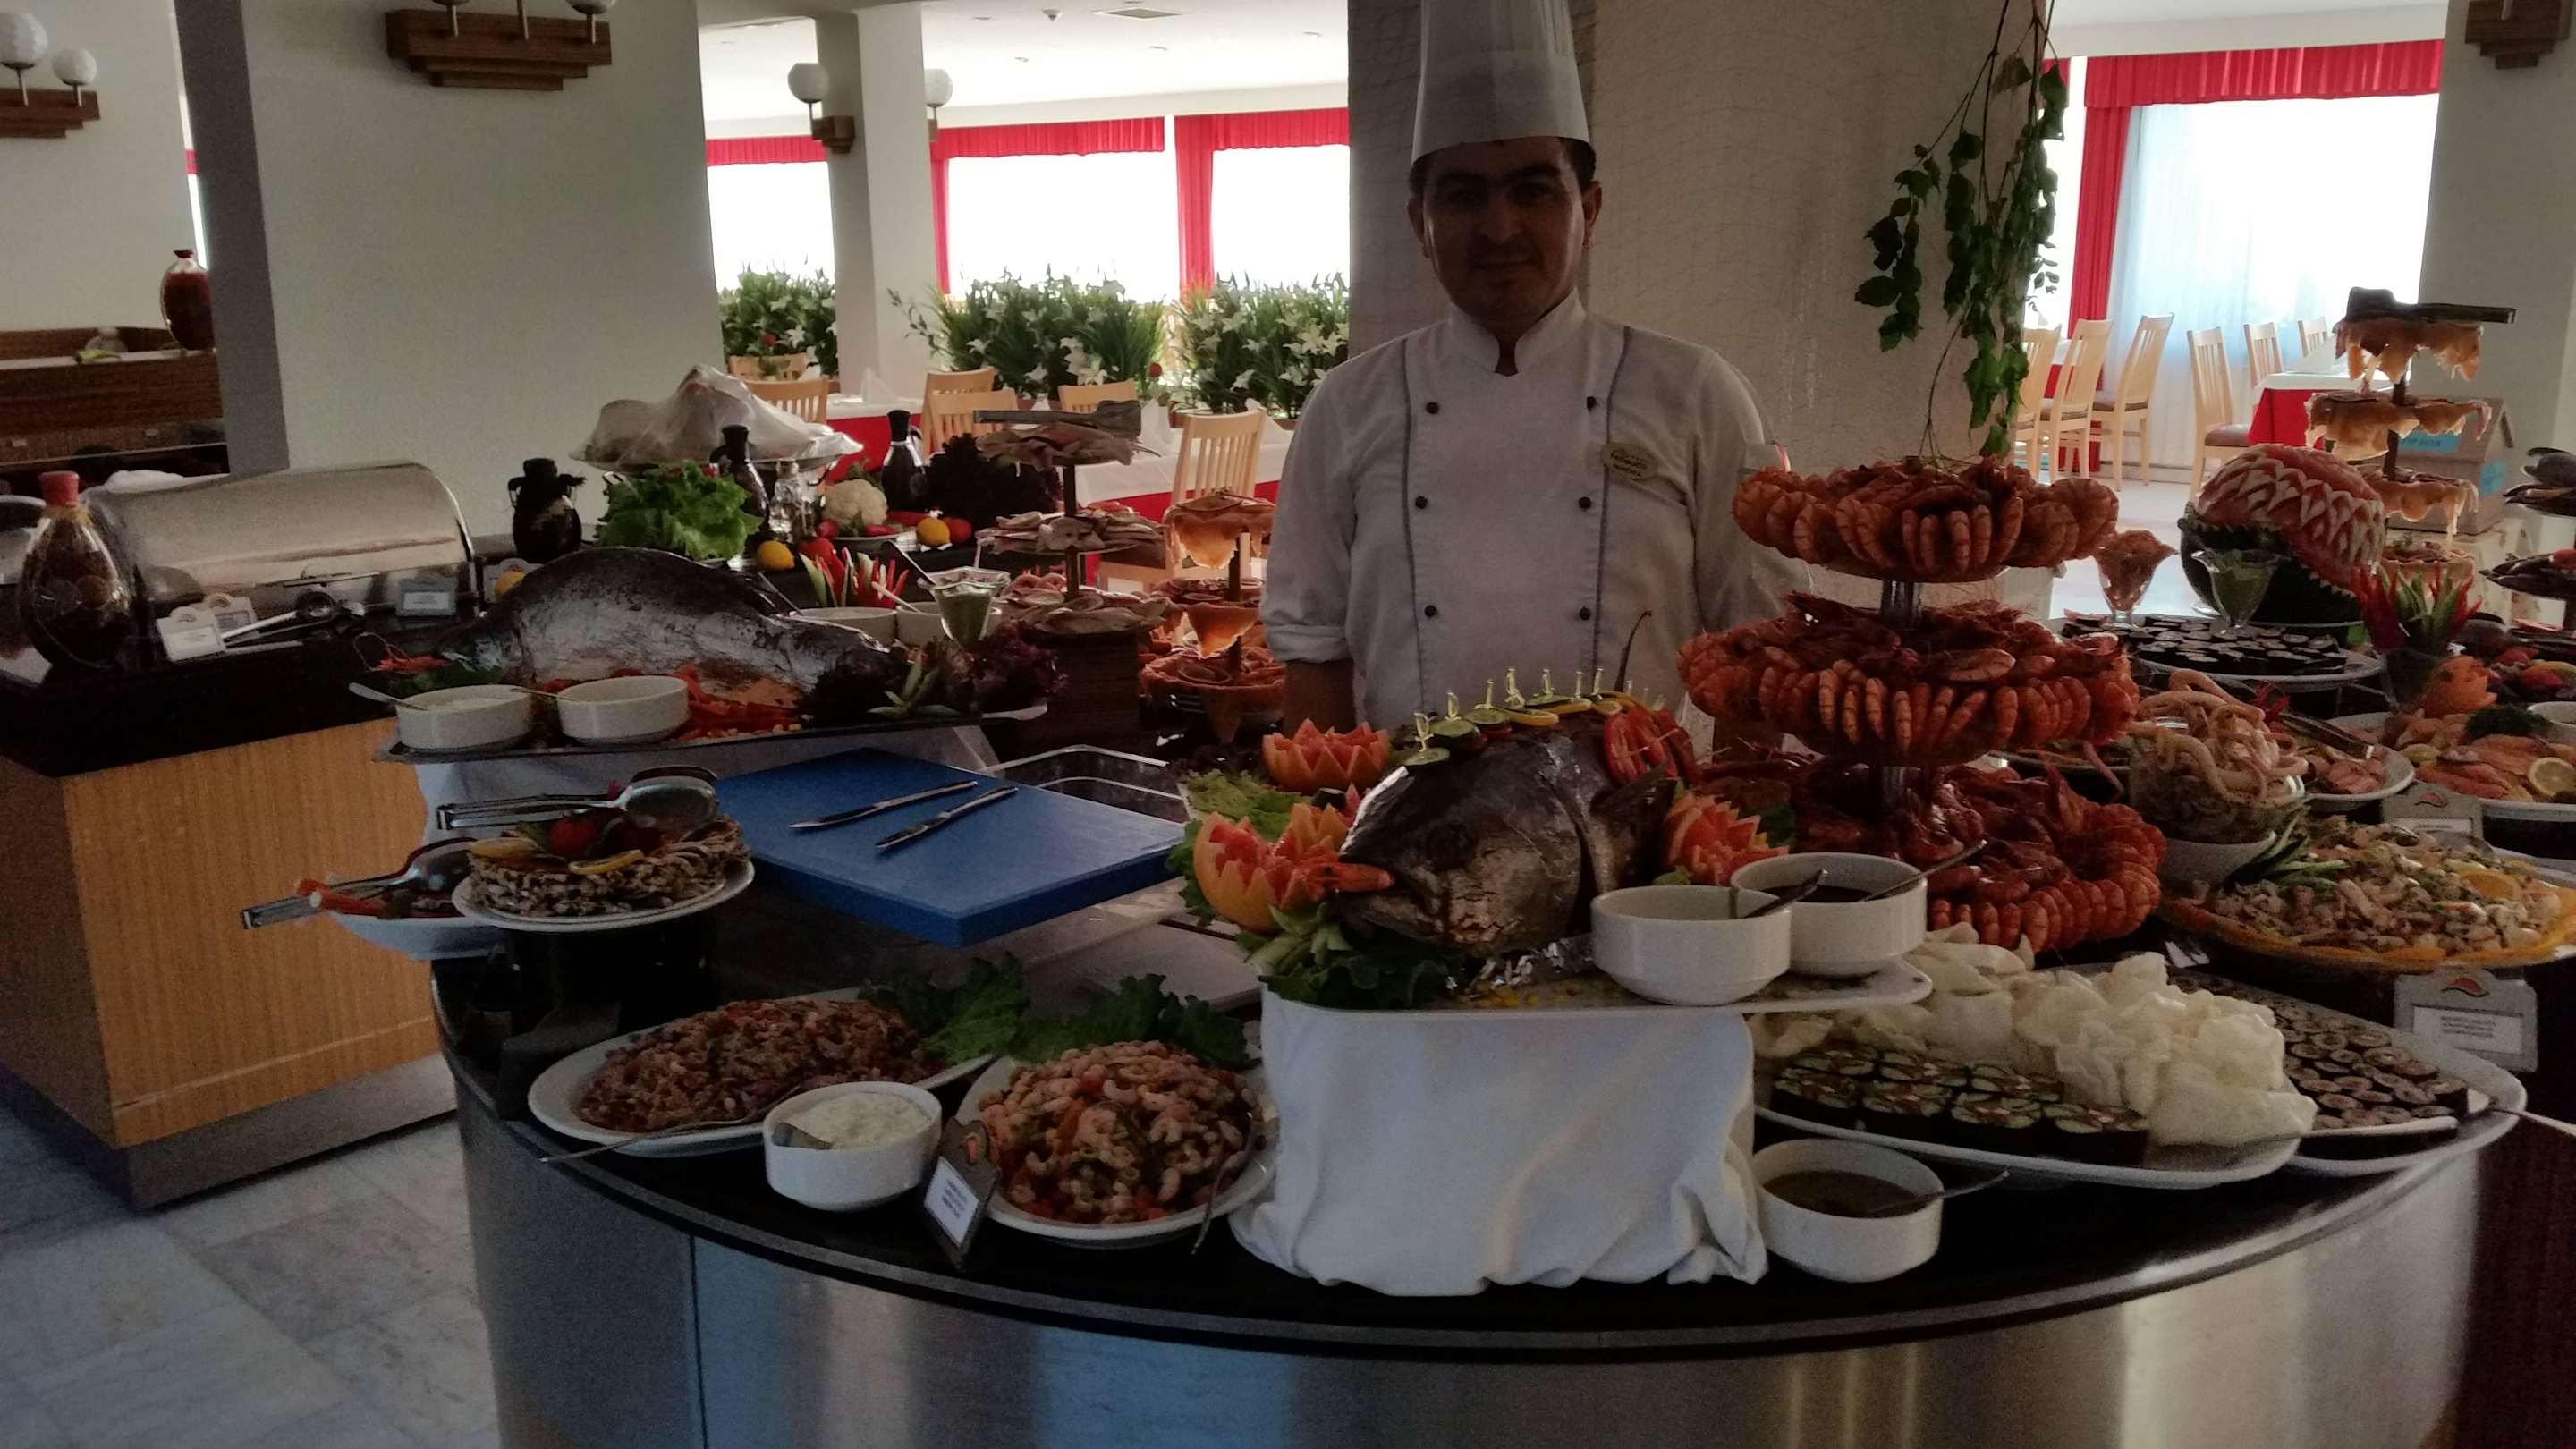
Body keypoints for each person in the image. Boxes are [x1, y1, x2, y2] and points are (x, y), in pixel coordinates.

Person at [1263, 0, 1806, 733]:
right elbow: (1312, 650)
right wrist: (1325, 800)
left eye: (1533, 190)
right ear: (1420, 222)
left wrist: (1739, 806)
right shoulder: (1348, 403)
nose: (1500, 228)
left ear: (1590, 209)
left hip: (1637, 800)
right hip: (1405, 798)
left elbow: (1759, 651)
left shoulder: (1696, 392)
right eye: (1464, 196)